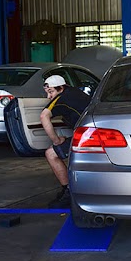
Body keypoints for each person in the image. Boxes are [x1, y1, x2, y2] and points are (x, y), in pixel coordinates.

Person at [41, 75, 91, 208]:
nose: (48, 97)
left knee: (51, 154)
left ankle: (69, 193)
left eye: (51, 92)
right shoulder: (76, 92)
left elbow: (43, 116)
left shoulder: (61, 99)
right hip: (94, 134)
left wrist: (56, 140)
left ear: (61, 88)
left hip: (88, 138)